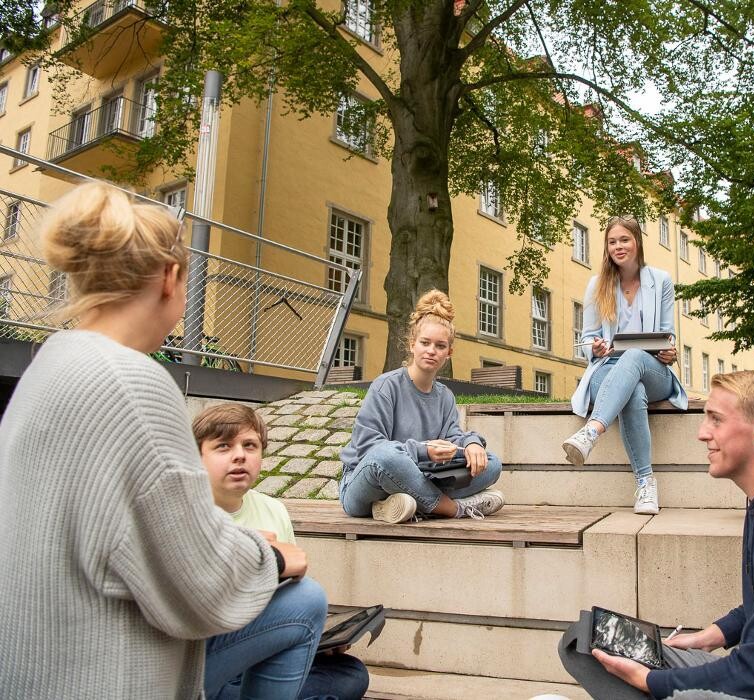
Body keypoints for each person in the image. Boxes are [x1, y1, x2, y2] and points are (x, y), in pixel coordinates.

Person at [0, 182, 325, 698]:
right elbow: (201, 586)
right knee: (306, 597)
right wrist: (275, 558)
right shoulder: (134, 385)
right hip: (103, 675)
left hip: (31, 667)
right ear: (171, 278)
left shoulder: (49, 366)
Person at [559, 370, 754, 700]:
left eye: (715, 420)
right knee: (582, 641)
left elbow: (753, 676)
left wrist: (648, 681)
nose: (702, 433)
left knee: (666, 687)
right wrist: (710, 636)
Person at [194, 403, 370, 700]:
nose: (240, 455)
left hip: (265, 644)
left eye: (249, 445)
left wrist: (320, 639)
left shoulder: (273, 510)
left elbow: (291, 594)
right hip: (207, 652)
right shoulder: (185, 513)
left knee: (351, 673)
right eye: (223, 446)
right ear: (197, 458)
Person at [339, 290, 505, 524]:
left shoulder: (445, 396)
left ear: (449, 352)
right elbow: (369, 450)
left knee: (492, 463)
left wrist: (471, 443)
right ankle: (452, 508)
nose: (431, 351)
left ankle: (401, 505)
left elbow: (453, 437)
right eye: (425, 343)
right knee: (386, 456)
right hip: (363, 482)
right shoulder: (385, 386)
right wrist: (423, 451)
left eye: (440, 346)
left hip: (419, 477)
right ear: (412, 344)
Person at [561, 216, 687, 514]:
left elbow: (667, 335)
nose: (618, 246)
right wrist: (596, 346)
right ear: (606, 247)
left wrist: (670, 352)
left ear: (637, 242)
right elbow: (589, 337)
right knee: (632, 389)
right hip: (606, 368)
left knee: (633, 358)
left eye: (624, 240)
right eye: (612, 241)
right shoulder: (597, 286)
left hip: (652, 367)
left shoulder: (661, 281)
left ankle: (591, 432)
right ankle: (646, 485)